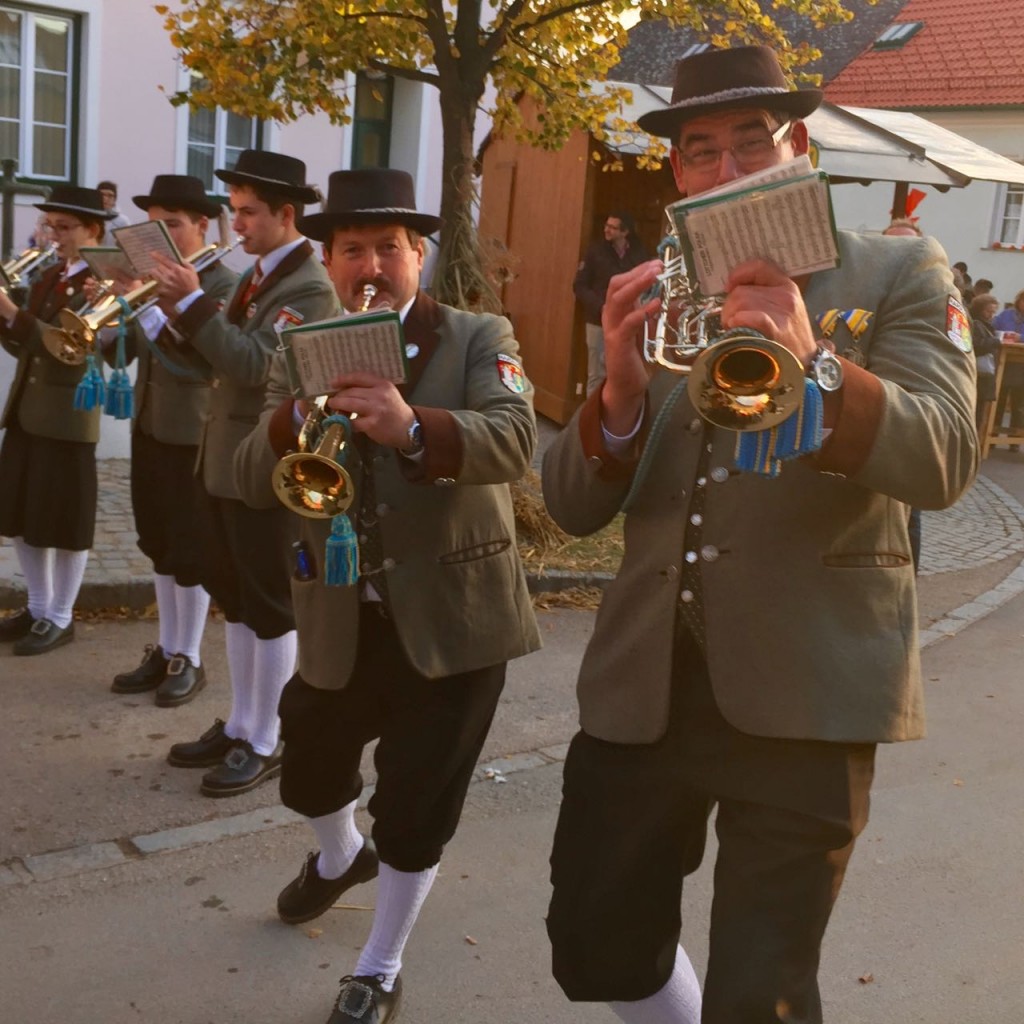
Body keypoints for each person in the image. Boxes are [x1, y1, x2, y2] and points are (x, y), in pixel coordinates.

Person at [542, 46, 977, 1024]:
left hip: (810, 683)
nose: (728, 169)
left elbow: (946, 457)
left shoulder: (898, 265)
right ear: (676, 173)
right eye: (702, 150)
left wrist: (813, 360)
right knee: (594, 947)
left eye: (753, 141)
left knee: (763, 994)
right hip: (645, 681)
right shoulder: (662, 291)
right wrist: (614, 392)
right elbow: (570, 507)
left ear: (799, 148)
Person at [234, 168, 541, 1023]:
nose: (371, 265)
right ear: (329, 261)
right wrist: (292, 420)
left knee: (415, 807)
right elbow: (242, 479)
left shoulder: (479, 334)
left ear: (419, 256)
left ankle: (379, 961)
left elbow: (516, 440)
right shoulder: (300, 345)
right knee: (310, 769)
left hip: (456, 621)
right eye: (353, 250)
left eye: (389, 249)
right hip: (341, 616)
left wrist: (412, 428)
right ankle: (339, 859)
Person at [147, 151, 337, 797]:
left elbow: (256, 366)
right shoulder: (257, 277)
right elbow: (217, 360)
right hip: (225, 462)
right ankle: (241, 723)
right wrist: (175, 316)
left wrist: (195, 305)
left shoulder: (307, 287)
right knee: (236, 601)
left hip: (262, 467)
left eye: (249, 211)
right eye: (234, 208)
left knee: (269, 607)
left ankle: (267, 738)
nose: (237, 221)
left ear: (287, 215)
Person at [104, 175, 237, 706]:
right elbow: (131, 349)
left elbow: (201, 356)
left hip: (194, 432)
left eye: (173, 225)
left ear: (201, 227)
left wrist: (154, 305)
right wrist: (113, 307)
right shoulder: (148, 282)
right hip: (150, 423)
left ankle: (190, 657)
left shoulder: (222, 284)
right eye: (154, 225)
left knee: (191, 549)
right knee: (157, 543)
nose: (161, 235)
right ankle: (167, 646)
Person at [0, 186, 115, 654]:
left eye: (65, 227)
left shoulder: (103, 283)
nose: (55, 235)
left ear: (94, 230)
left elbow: (74, 349)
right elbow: (26, 345)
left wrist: (13, 314)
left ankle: (62, 615)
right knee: (25, 516)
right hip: (29, 412)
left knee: (66, 520)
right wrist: (5, 321)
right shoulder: (50, 276)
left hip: (68, 418)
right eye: (51, 225)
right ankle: (39, 606)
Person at [573, 211, 648, 397]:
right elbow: (579, 286)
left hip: (625, 322)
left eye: (613, 227)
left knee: (616, 371)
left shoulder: (639, 253)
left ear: (625, 232)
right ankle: (592, 419)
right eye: (606, 226)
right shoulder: (595, 251)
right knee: (595, 374)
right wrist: (600, 307)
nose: (607, 230)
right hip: (597, 320)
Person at [991, 289, 1024, 451]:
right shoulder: (1006, 315)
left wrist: (1021, 338)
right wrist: (1002, 335)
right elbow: (992, 327)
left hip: (1022, 368)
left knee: (1019, 405)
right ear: (1018, 301)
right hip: (1004, 366)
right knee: (999, 402)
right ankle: (992, 437)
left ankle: (1015, 440)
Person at [971, 292, 1002, 433]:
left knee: (979, 413)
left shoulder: (985, 324)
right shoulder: (976, 323)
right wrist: (996, 341)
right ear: (979, 309)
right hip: (979, 374)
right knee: (976, 413)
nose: (991, 315)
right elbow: (976, 345)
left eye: (993, 312)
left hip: (981, 375)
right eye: (988, 311)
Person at [96, 180, 131, 245]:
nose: (105, 198)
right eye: (102, 195)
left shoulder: (122, 221)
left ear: (114, 199)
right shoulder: (90, 218)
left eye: (110, 196)